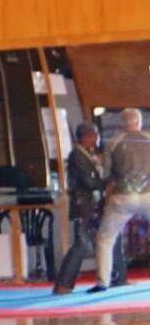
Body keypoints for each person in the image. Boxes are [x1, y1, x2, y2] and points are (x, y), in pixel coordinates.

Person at [94, 107, 150, 291]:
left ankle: (103, 281)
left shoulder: (113, 143)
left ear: (121, 123)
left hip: (122, 197)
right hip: (148, 195)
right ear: (139, 122)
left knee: (105, 239)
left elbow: (106, 174)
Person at [53, 121, 106, 295]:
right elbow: (88, 181)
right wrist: (104, 184)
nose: (97, 138)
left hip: (88, 205)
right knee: (81, 245)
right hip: (83, 206)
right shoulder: (77, 156)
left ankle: (64, 284)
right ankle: (63, 284)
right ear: (88, 137)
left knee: (87, 243)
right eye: (95, 135)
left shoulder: (86, 154)